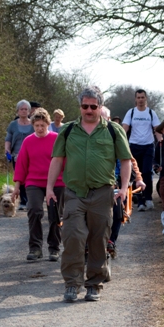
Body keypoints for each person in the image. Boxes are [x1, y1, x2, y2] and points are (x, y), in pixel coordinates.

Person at [46, 85, 132, 303]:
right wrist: (49, 188)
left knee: (98, 239)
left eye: (93, 106)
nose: (89, 110)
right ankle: (72, 284)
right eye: (85, 106)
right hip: (74, 193)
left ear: (100, 107)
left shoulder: (113, 130)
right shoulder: (67, 130)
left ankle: (94, 284)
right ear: (80, 106)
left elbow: (125, 160)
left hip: (103, 194)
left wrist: (123, 188)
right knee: (73, 237)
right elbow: (56, 160)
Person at [12, 108, 65, 262]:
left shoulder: (56, 139)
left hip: (57, 181)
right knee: (34, 211)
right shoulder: (28, 141)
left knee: (55, 215)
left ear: (48, 124)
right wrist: (17, 186)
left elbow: (64, 161)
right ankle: (35, 248)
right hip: (34, 181)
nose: (40, 129)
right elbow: (21, 164)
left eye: (43, 125)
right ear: (33, 126)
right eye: (37, 126)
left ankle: (54, 248)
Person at [122, 89, 160, 211]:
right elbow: (124, 129)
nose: (140, 100)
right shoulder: (131, 112)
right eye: (138, 97)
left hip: (148, 146)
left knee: (147, 172)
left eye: (142, 97)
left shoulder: (151, 113)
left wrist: (162, 142)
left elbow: (157, 129)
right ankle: (140, 201)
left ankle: (148, 198)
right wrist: (120, 141)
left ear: (146, 98)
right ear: (135, 99)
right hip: (134, 146)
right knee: (135, 174)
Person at [5, 100, 33, 210]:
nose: (24, 111)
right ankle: (23, 201)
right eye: (22, 109)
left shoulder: (33, 124)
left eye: (26, 109)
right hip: (16, 155)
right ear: (17, 111)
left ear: (29, 111)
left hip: (31, 156)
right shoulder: (13, 125)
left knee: (30, 177)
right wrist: (7, 149)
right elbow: (8, 139)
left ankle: (31, 200)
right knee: (20, 178)